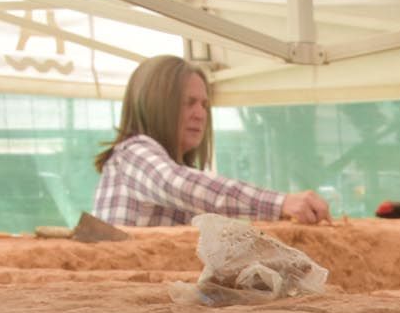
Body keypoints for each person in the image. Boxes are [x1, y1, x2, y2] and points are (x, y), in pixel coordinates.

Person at [91, 55, 327, 228]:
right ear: (156, 105)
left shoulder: (180, 173)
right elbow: (178, 185)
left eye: (204, 105)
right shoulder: (132, 154)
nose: (200, 114)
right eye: (189, 102)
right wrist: (280, 203)